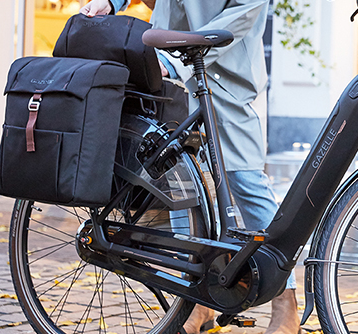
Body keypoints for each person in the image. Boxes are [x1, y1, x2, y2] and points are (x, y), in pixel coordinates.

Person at [79, 1, 301, 333]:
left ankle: (286, 301)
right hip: (169, 65)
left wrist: (184, 52)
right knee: (182, 189)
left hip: (222, 69)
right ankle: (196, 302)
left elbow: (247, 9)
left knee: (246, 181)